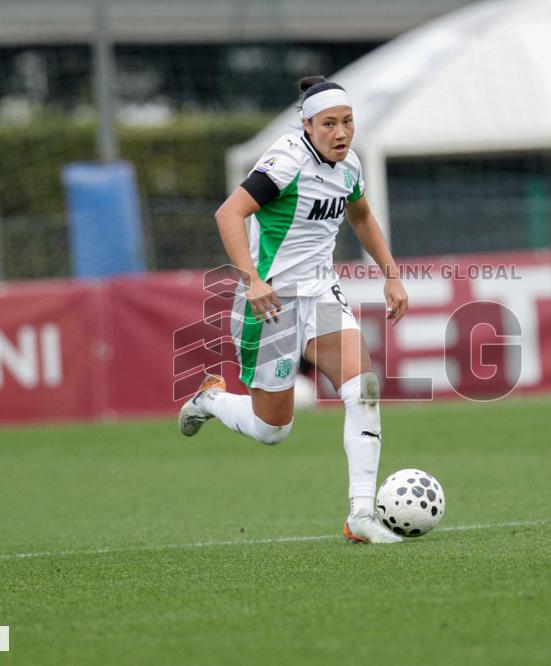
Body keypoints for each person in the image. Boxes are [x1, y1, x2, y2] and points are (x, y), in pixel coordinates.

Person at [178, 76, 408, 544]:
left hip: (321, 293)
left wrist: (390, 272)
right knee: (272, 430)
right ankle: (210, 399)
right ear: (307, 124)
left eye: (347, 122)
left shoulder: (350, 166)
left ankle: (361, 515)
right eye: (329, 124)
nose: (341, 133)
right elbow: (228, 213)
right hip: (271, 301)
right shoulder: (285, 162)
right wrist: (252, 280)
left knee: (363, 389)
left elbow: (360, 215)